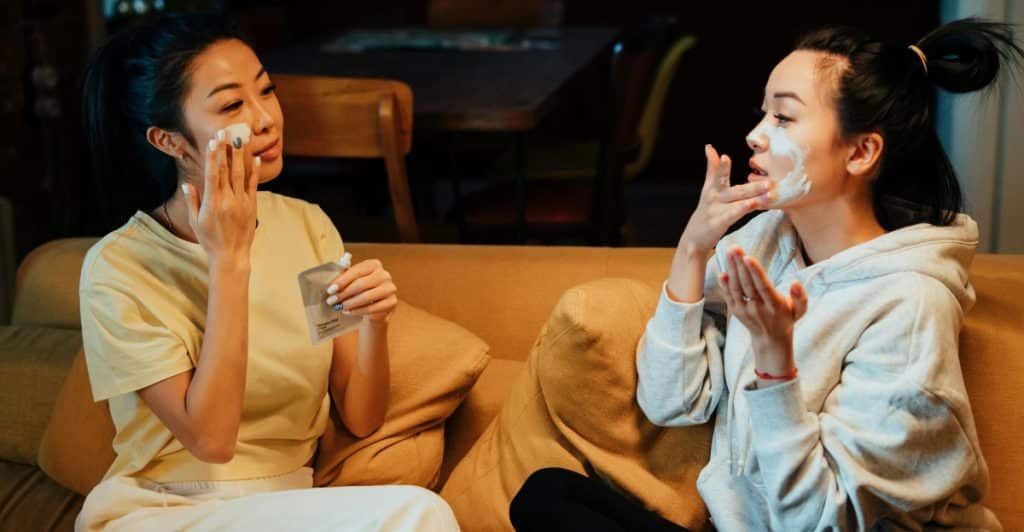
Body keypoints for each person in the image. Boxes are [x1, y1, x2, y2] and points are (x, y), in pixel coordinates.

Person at [510, 18, 1022, 531]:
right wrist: (693, 248)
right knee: (547, 496)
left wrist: (777, 363)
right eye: (763, 113)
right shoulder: (766, 241)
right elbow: (669, 403)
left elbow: (818, 520)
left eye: (783, 118)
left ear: (861, 152)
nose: (755, 135)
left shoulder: (910, 304)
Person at [75, 13, 459, 531]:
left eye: (266, 91)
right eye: (233, 104)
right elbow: (211, 439)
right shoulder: (117, 267)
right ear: (170, 141)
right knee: (419, 515)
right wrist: (228, 259)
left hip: (288, 504)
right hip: (165, 510)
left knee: (418, 511)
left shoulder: (306, 226)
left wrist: (375, 324)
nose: (265, 119)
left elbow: (361, 416)